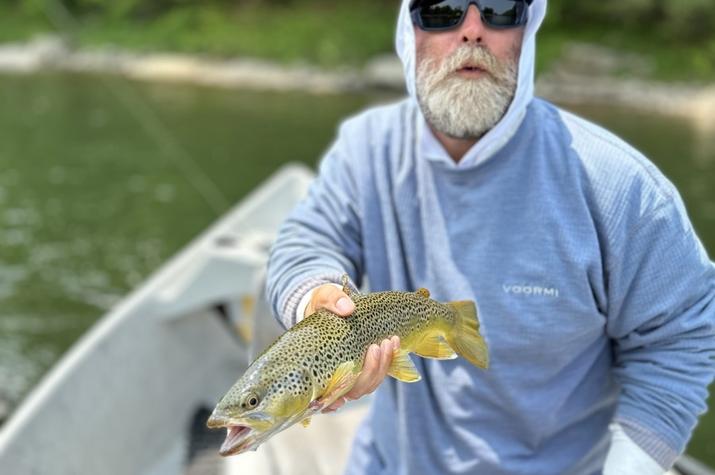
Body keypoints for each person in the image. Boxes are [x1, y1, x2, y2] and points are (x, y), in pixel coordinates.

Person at [266, 0, 715, 473]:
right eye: (442, 10)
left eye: (502, 10)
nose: (473, 31)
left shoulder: (624, 189)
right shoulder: (365, 148)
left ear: (529, 30)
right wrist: (315, 297)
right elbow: (307, 238)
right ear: (407, 30)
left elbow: (681, 341)